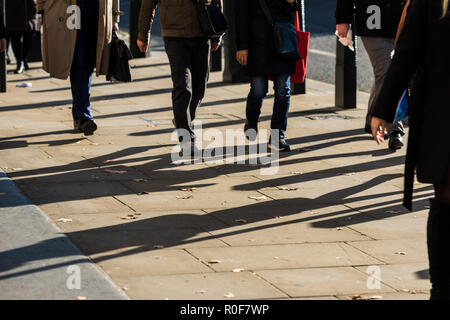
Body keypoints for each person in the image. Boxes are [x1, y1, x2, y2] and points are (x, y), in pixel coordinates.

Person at [371, 0, 450, 300]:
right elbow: (406, 54)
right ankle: (441, 287)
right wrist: (383, 108)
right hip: (444, 120)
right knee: (446, 198)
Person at [137, 0, 222, 152]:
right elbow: (147, 4)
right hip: (174, 35)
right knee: (182, 86)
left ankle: (181, 119)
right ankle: (186, 138)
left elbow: (216, 2)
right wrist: (143, 34)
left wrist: (216, 33)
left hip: (202, 32)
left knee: (199, 87)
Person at [36, 0, 121, 136]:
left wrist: (114, 16)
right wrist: (41, 8)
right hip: (70, 10)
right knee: (79, 60)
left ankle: (78, 114)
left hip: (96, 11)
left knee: (87, 62)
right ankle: (85, 116)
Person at [335, 0, 406, 150]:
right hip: (372, 19)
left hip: (401, 18)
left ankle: (372, 118)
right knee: (387, 72)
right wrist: (343, 19)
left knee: (383, 74)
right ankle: (394, 128)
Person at [236, 0, 299, 152]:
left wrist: (291, 3)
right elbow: (241, 16)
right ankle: (251, 120)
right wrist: (242, 46)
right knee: (258, 90)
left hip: (282, 42)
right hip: (257, 45)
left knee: (283, 91)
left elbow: (294, 10)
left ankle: (278, 136)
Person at [4, 0, 39, 74]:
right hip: (13, 10)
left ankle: (23, 59)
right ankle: (19, 61)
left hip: (30, 11)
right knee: (15, 38)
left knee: (29, 39)